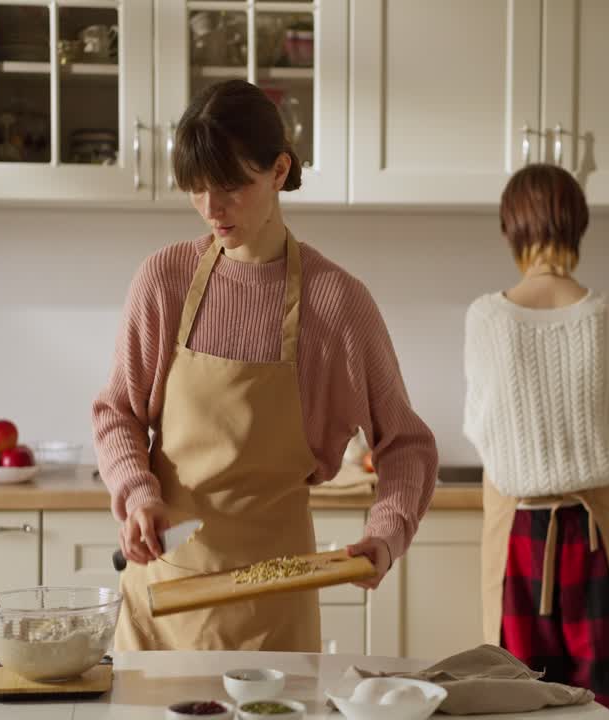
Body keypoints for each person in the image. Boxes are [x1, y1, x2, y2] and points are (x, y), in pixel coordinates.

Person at [92, 79, 437, 652]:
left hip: (273, 611)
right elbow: (117, 412)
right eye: (196, 190)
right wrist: (137, 493)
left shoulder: (337, 304)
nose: (211, 210)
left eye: (230, 187)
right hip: (162, 605)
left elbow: (406, 444)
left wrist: (386, 534)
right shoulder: (164, 280)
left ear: (278, 172)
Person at [463, 164, 609, 718]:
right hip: (593, 540)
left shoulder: (487, 315)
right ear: (577, 225)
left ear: (511, 228)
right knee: (601, 702)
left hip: (520, 530)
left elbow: (481, 426)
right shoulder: (607, 312)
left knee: (515, 700)